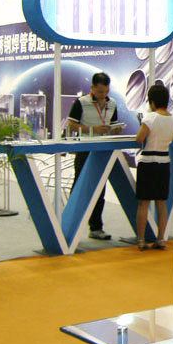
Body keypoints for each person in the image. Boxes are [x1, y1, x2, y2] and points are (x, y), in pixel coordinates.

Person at [67, 71, 118, 240]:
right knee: (79, 186)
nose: (103, 95)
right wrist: (92, 129)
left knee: (100, 188)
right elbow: (71, 125)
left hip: (102, 150)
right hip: (84, 149)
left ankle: (96, 227)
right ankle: (69, 225)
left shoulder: (112, 104)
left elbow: (114, 124)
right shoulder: (81, 102)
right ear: (92, 87)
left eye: (106, 91)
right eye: (100, 91)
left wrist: (116, 129)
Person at [135, 83, 173, 251]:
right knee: (161, 203)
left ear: (152, 102)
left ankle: (141, 240)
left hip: (148, 162)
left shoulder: (150, 118)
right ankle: (161, 239)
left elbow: (139, 138)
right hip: (164, 162)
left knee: (144, 203)